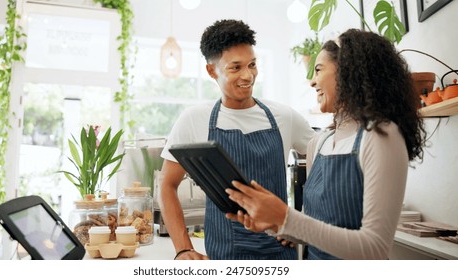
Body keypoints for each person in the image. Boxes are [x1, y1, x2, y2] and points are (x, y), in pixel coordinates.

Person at [225, 29, 427, 260]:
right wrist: (273, 223)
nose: (312, 81)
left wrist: (286, 218)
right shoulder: (319, 143)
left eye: (319, 69)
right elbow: (312, 230)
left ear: (348, 72)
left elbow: (374, 248)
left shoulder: (380, 136)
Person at [159, 19, 315, 260]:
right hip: (222, 257)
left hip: (280, 255)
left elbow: (327, 168)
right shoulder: (194, 119)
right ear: (212, 71)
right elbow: (167, 185)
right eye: (235, 67)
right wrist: (183, 248)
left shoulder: (284, 116)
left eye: (252, 64)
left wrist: (302, 223)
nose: (248, 75)